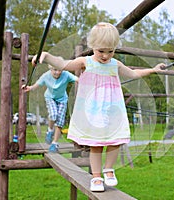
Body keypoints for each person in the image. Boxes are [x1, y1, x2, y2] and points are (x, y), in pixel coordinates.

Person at [32, 22, 165, 192]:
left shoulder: (114, 64)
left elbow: (133, 73)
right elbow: (63, 64)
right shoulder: (85, 62)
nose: (105, 56)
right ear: (92, 46)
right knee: (96, 145)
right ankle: (96, 177)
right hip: (93, 111)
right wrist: (46, 56)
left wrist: (153, 70)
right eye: (101, 51)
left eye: (110, 51)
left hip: (112, 110)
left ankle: (108, 169)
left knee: (115, 140)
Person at [22, 65, 78, 153]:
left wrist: (85, 80)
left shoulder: (66, 75)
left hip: (62, 100)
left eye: (59, 70)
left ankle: (54, 143)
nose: (57, 72)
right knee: (53, 115)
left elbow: (77, 79)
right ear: (50, 69)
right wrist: (29, 88)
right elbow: (37, 84)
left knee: (60, 122)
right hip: (50, 98)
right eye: (55, 70)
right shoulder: (46, 76)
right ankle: (50, 130)